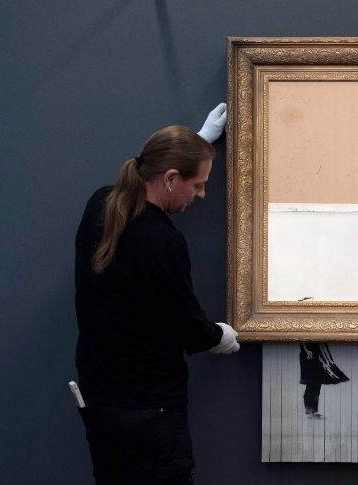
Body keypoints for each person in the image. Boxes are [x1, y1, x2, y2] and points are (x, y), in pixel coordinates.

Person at [74, 103, 238, 485]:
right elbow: (188, 328)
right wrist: (221, 336)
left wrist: (199, 142)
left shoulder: (100, 205)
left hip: (100, 402)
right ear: (170, 178)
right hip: (150, 412)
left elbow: (147, 168)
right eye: (197, 184)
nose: (201, 194)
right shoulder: (161, 241)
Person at [299, 343, 349, 418]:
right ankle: (310, 410)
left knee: (316, 385)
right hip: (309, 357)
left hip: (317, 357)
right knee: (311, 385)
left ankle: (312, 410)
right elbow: (303, 342)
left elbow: (322, 346)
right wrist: (307, 351)